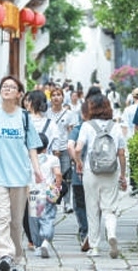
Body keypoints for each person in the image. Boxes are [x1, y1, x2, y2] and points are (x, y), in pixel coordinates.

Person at [0, 75, 43, 271]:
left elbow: (32, 147)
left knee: (15, 222)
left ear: (19, 94)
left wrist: (37, 170)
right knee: (1, 217)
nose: (7, 89)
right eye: (4, 86)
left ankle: (15, 257)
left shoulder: (24, 117)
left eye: (11, 87)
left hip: (20, 176)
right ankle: (4, 254)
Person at [74, 94, 127, 259]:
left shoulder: (87, 126)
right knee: (109, 208)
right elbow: (121, 153)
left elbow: (77, 149)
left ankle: (95, 247)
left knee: (92, 209)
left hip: (91, 170)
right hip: (111, 171)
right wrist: (123, 174)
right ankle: (111, 234)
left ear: (91, 108)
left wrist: (78, 162)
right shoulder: (115, 126)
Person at [23, 89, 59, 250]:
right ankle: (43, 236)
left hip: (25, 167)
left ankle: (33, 240)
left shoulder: (23, 122)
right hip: (46, 170)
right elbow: (56, 149)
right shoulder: (51, 124)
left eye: (27, 100)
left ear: (31, 103)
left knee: (28, 208)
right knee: (45, 209)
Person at [28, 133, 62, 259]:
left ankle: (38, 246)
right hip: (48, 192)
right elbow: (58, 174)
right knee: (48, 218)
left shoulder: (28, 159)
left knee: (35, 221)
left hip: (33, 193)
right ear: (46, 147)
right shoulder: (53, 159)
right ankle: (46, 241)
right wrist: (57, 187)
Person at [46, 85, 76, 213]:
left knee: (65, 176)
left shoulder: (69, 114)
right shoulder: (46, 113)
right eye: (53, 95)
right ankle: (52, 200)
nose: (56, 97)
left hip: (64, 149)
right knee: (51, 176)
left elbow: (71, 131)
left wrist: (72, 149)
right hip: (49, 149)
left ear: (63, 98)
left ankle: (67, 203)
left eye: (58, 95)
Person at [67, 101, 89, 251]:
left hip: (79, 174)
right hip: (97, 173)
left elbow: (70, 146)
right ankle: (92, 232)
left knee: (80, 204)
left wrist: (77, 162)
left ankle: (85, 232)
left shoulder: (78, 128)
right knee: (93, 204)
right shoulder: (101, 128)